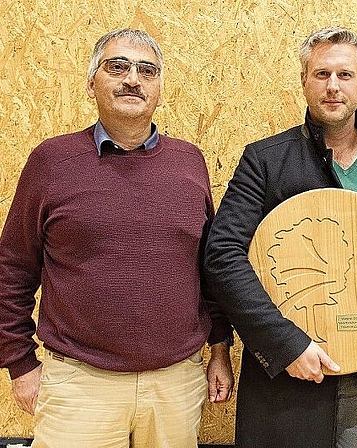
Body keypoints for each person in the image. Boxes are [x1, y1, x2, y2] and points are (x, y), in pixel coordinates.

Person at [0, 28, 234, 447]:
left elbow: (208, 268)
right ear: (92, 82)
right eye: (117, 67)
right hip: (79, 385)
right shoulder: (52, 161)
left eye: (147, 70)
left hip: (175, 384)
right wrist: (19, 364)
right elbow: (11, 270)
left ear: (159, 88)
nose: (133, 79)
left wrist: (219, 348)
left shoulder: (189, 163)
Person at [203, 26, 357, 448]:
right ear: (304, 81)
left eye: (345, 75)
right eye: (321, 74)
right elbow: (222, 255)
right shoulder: (266, 160)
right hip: (290, 383)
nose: (333, 86)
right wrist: (286, 344)